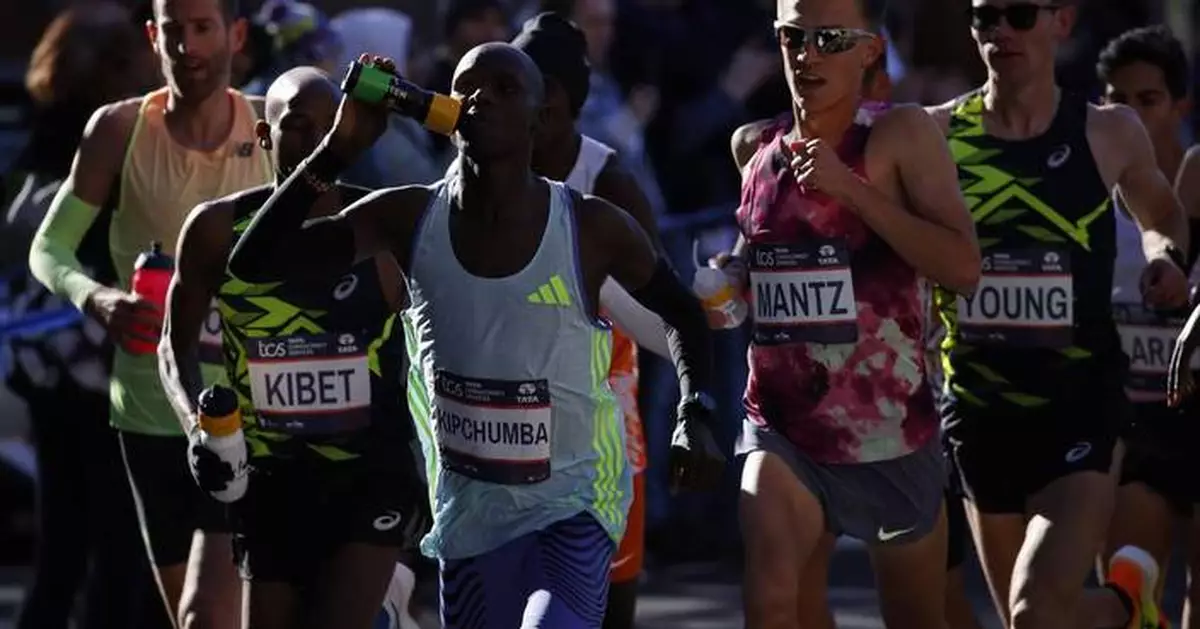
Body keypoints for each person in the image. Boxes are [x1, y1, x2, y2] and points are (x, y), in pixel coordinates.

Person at [226, 44, 725, 629]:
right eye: (467, 86)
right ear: (446, 106)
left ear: (541, 120)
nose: (482, 97)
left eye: (506, 88)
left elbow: (684, 314)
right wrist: (337, 151)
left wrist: (697, 409)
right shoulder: (407, 218)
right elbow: (256, 264)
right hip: (468, 519)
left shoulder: (591, 227)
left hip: (573, 506)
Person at [716, 0, 981, 627]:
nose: (807, 54)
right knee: (774, 597)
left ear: (870, 49)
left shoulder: (900, 135)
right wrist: (728, 284)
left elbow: (963, 267)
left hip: (890, 431)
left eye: (830, 39)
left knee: (917, 616)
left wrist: (851, 191)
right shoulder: (755, 147)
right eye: (792, 36)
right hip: (784, 428)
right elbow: (750, 263)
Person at [928, 2, 1190, 628]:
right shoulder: (935, 135)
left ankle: (1126, 603)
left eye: (1019, 15)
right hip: (978, 410)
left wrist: (1168, 258)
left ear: (1061, 23)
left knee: (1034, 613)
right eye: (984, 17)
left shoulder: (1107, 131)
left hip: (1080, 407)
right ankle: (1130, 609)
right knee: (1035, 620)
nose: (1000, 32)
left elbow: (1162, 214)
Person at [26, 0, 272, 626]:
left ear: (235, 34)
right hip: (145, 413)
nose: (187, 47)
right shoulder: (117, 128)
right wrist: (99, 298)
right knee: (182, 616)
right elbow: (48, 248)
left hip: (245, 413)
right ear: (152, 37)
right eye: (173, 31)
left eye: (202, 28)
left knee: (204, 615)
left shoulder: (271, 125)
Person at [158, 66, 429, 629]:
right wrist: (197, 432)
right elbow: (172, 345)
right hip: (270, 482)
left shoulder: (383, 223)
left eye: (334, 128)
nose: (320, 143)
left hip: (371, 476)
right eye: (300, 127)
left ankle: (384, 606)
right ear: (264, 136)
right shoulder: (214, 229)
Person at [506, 13, 670, 629]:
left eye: (509, 87)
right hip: (503, 433)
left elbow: (664, 323)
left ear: (550, 96)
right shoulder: (479, 168)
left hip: (601, 435)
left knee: (606, 608)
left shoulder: (609, 182)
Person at [6, 5, 165, 629]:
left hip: (43, 359)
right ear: (117, 65)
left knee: (65, 539)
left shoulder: (43, 130)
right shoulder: (112, 136)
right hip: (98, 353)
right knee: (118, 541)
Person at [1099, 24, 1200, 627]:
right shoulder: (1081, 203)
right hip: (1132, 428)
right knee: (1129, 600)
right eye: (1117, 100)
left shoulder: (1196, 177)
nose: (1131, 116)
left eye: (1148, 100)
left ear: (1179, 106)